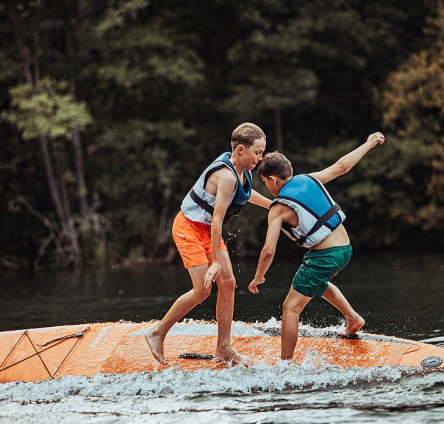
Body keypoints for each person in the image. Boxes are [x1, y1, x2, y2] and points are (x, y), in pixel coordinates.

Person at [248, 132, 385, 360]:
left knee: (290, 308)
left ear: (272, 179)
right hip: (345, 249)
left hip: (326, 256)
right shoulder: (309, 179)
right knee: (314, 279)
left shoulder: (278, 209)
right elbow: (342, 166)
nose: (266, 187)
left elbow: (268, 249)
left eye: (264, 183)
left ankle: (286, 364)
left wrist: (258, 276)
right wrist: (368, 144)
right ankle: (353, 319)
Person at [146, 123, 272, 365]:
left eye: (262, 152)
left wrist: (274, 206)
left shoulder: (242, 170)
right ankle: (157, 333)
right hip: (188, 229)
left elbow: (246, 195)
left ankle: (223, 348)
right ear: (241, 150)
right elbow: (217, 220)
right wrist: (214, 262)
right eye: (258, 152)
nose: (261, 158)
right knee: (202, 290)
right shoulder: (225, 176)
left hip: (205, 230)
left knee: (228, 283)